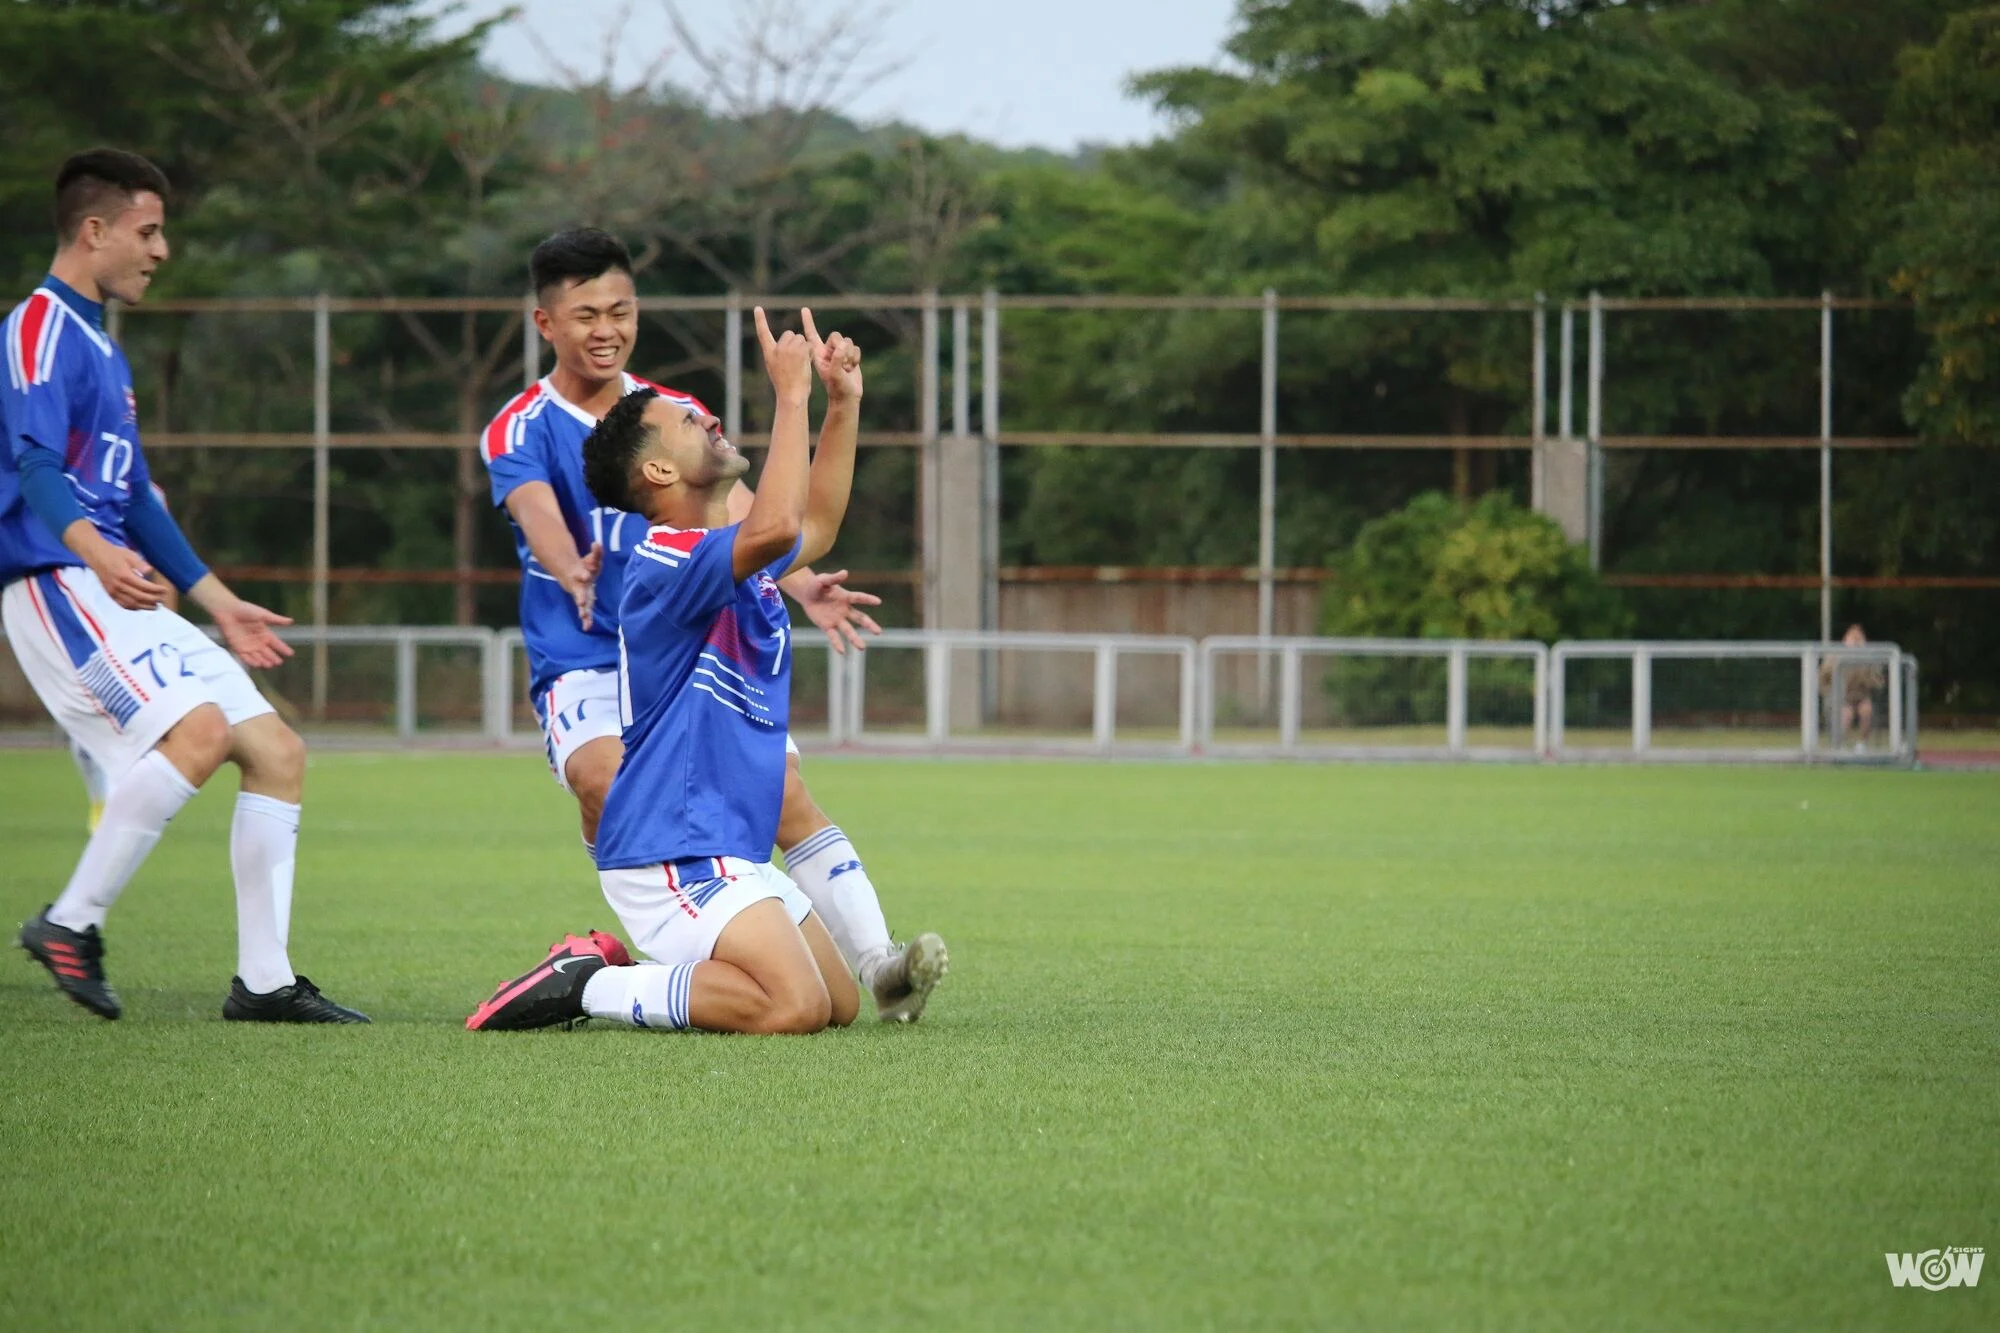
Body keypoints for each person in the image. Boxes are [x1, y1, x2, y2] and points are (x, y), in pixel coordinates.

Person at [477, 228, 946, 1021]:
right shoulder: (663, 552)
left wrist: (844, 403)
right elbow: (764, 529)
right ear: (546, 323)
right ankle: (589, 982)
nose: (710, 420)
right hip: (660, 827)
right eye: (585, 310)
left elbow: (808, 526)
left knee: (833, 1005)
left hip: (714, 838)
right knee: (787, 1006)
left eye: (621, 308)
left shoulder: (709, 530)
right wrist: (792, 397)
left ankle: (869, 961)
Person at [0, 148, 367, 1023]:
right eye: (148, 230)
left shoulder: (102, 349)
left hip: (114, 580)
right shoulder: (37, 329)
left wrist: (220, 600)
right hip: (60, 583)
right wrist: (94, 551)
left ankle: (266, 982)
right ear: (94, 230)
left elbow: (132, 498)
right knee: (198, 732)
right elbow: (35, 466)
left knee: (276, 751)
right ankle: (70, 922)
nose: (162, 250)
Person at [72, 480, 177, 832]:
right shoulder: (67, 485)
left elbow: (165, 560)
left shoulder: (149, 494)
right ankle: (103, 798)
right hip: (84, 614)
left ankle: (120, 805)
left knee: (137, 715)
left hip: (135, 618)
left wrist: (169, 622)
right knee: (86, 723)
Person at [1821, 623, 1885, 749]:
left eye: (1859, 638)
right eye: (1852, 638)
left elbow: (1879, 682)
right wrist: (1828, 693)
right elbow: (1823, 678)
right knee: (1846, 714)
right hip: (1841, 698)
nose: (1856, 642)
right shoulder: (1834, 656)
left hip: (1861, 696)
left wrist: (1869, 679)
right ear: (1845, 640)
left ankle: (1862, 744)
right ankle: (1839, 744)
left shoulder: (1869, 658)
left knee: (1866, 710)